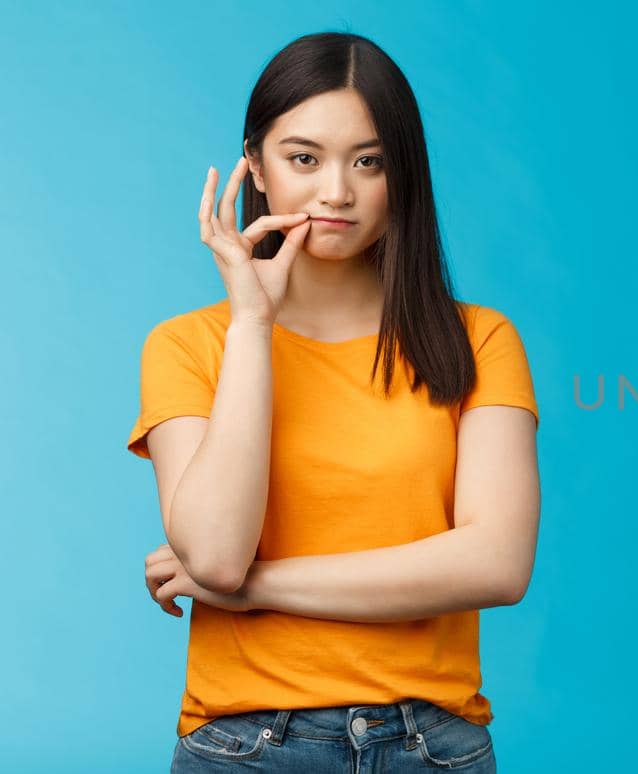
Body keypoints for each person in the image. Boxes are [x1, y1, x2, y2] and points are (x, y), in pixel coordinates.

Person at [126, 32, 540, 773]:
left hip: (432, 746)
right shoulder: (189, 346)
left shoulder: (477, 340)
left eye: (368, 161)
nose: (337, 192)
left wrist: (261, 587)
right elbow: (216, 556)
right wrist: (253, 324)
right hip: (248, 746)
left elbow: (498, 563)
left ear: (400, 172)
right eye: (304, 158)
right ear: (255, 164)